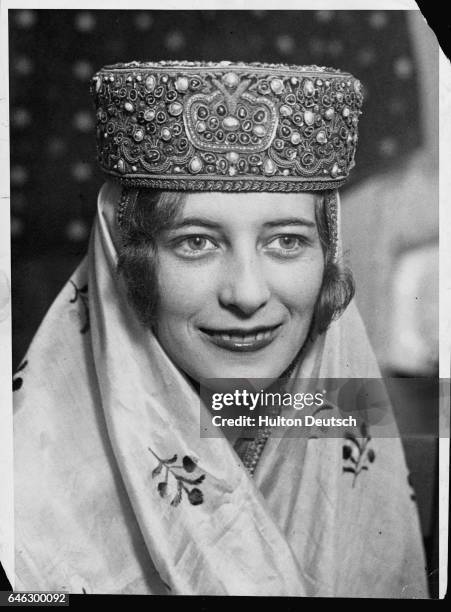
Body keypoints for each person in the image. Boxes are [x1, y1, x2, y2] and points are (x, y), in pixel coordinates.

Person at [13, 61, 428, 596]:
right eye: (196, 242)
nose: (248, 293)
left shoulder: (404, 443)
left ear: (328, 255)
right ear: (126, 260)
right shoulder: (18, 496)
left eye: (286, 241)